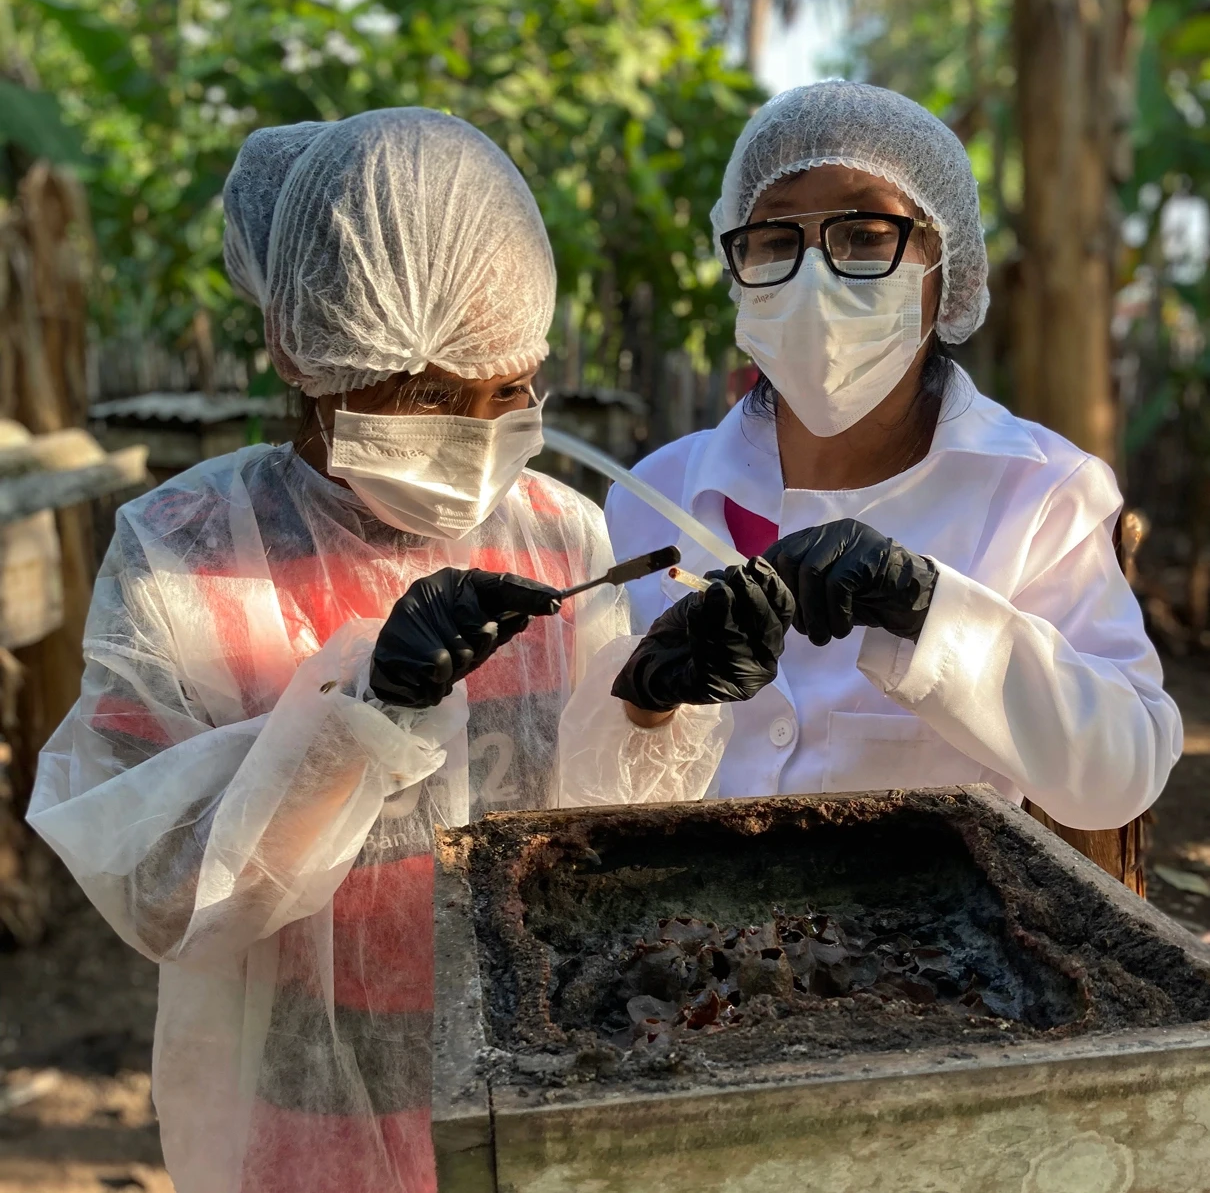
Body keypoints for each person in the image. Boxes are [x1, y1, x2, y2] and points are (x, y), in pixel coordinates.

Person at [27, 109, 791, 1193]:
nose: (478, 433)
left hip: (539, 1086)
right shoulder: (188, 555)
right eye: (432, 395)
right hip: (303, 1105)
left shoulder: (557, 534)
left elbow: (595, 842)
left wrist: (652, 702)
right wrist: (359, 718)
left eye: (507, 388)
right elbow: (157, 888)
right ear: (306, 352)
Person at [606, 82, 1182, 830]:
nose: (815, 275)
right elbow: (581, 793)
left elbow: (1122, 774)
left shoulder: (1039, 492)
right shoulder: (652, 497)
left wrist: (929, 608)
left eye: (865, 234)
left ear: (946, 264)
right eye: (775, 239)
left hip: (929, 913)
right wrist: (647, 703)